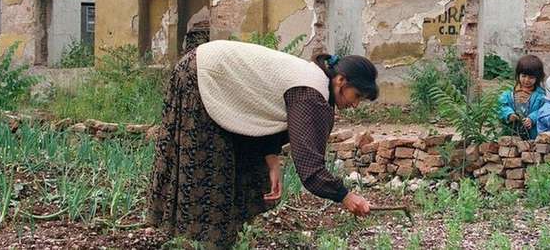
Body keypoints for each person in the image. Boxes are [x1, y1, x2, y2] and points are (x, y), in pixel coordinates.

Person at [147, 39, 378, 247]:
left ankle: (224, 240)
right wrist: (345, 196)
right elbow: (310, 169)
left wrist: (272, 159)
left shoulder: (315, 85)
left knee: (238, 167)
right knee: (211, 170)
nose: (355, 104)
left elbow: (266, 111)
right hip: (203, 75)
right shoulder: (311, 93)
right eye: (357, 95)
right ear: (341, 80)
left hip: (207, 69)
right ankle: (205, 242)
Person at [497, 55, 546, 140]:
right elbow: (501, 106)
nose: (526, 80)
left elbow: (543, 111)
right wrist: (509, 114)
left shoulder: (541, 95)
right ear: (518, 75)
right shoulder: (509, 93)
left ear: (537, 78)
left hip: (532, 135)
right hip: (511, 133)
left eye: (531, 77)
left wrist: (532, 118)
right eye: (523, 76)